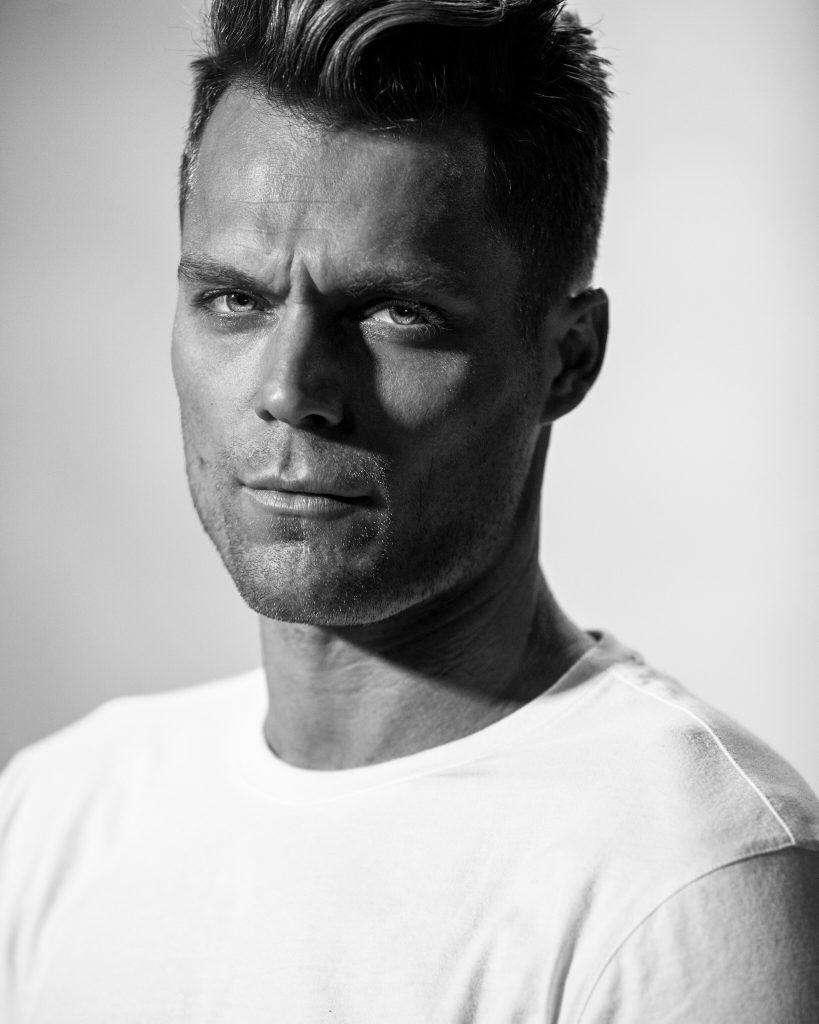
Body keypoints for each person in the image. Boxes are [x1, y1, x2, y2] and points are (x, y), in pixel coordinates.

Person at [1, 0, 818, 1020]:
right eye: (235, 299)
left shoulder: (688, 879)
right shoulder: (55, 813)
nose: (291, 388)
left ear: (568, 357)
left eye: (397, 313)